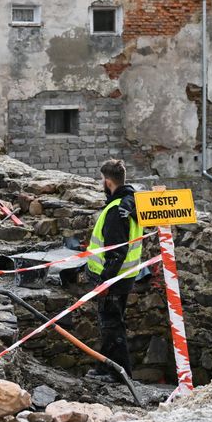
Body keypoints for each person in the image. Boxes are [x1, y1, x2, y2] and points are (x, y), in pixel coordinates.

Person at [83, 158, 141, 380]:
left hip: (114, 279)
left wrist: (105, 281)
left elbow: (116, 252)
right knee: (110, 325)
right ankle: (105, 367)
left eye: (101, 181)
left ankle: (119, 373)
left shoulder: (118, 210)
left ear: (107, 182)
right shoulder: (131, 203)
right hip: (125, 276)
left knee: (112, 326)